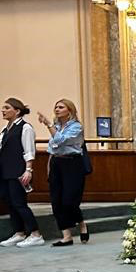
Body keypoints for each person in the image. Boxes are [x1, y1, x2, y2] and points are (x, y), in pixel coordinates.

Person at [37, 98, 88, 246]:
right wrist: (49, 168)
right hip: (56, 163)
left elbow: (60, 141)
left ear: (69, 111)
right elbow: (52, 150)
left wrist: (48, 124)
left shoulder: (76, 127)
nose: (57, 109)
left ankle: (82, 223)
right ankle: (67, 236)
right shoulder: (57, 126)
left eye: (61, 107)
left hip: (72, 163)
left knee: (69, 200)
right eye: (56, 107)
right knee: (56, 201)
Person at [0, 98, 41, 248]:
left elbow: (29, 150)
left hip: (18, 171)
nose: (3, 110)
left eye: (6, 107)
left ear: (17, 111)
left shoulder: (25, 128)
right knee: (10, 203)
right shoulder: (5, 129)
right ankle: (19, 233)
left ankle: (36, 234)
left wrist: (28, 170)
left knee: (19, 203)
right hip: (5, 172)